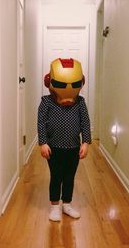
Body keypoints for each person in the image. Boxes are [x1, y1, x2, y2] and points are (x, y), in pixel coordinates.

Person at [37, 58, 91, 222]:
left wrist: (85, 142)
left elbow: (85, 122)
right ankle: (55, 206)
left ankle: (66, 204)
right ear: (50, 82)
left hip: (73, 148)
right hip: (54, 148)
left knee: (69, 177)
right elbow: (41, 122)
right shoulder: (46, 102)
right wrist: (43, 142)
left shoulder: (80, 102)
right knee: (56, 176)